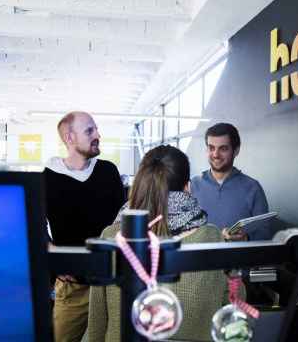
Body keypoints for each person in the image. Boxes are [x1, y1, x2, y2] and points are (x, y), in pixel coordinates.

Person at [86, 145, 229, 342]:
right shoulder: (212, 238)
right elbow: (231, 307)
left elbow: (96, 324)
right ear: (187, 187)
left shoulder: (111, 237)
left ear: (140, 184)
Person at [44, 111, 125, 342]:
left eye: (96, 129)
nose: (98, 134)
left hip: (112, 283)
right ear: (69, 138)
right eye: (89, 130)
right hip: (72, 287)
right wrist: (53, 252)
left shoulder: (108, 171)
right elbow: (34, 225)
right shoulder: (48, 177)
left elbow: (123, 219)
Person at [191, 123, 270, 241]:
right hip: (197, 258)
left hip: (238, 258)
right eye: (211, 148)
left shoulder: (253, 188)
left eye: (223, 149)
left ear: (236, 151)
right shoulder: (192, 185)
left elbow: (265, 235)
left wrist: (246, 238)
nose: (215, 154)